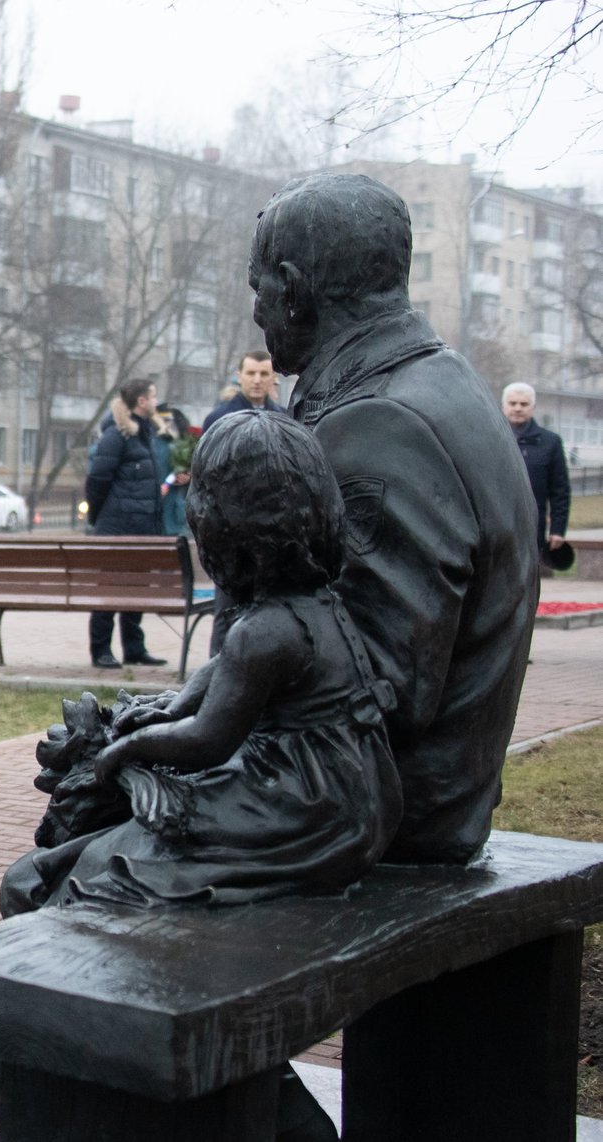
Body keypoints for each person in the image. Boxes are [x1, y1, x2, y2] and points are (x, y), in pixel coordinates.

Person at [2, 410, 380, 1142]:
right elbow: (200, 689)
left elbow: (206, 739)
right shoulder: (312, 608)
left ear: (226, 526)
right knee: (105, 855)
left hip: (301, 805)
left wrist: (120, 754)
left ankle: (89, 1068)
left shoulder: (266, 632)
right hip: (349, 794)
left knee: (102, 877)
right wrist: (153, 714)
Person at [253, 172, 537, 865]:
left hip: (387, 817)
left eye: (257, 286)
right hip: (411, 794)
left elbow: (372, 692)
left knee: (55, 870)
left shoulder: (375, 427)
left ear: (292, 287)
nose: (257, 311)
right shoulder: (444, 380)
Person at [83, 379, 168, 669]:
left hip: (142, 527)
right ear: (142, 401)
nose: (157, 401)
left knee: (136, 588)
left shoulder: (144, 433)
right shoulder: (117, 434)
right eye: (154, 396)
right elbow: (97, 478)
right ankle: (101, 650)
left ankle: (134, 649)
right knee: (109, 589)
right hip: (117, 527)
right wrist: (98, 516)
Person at [503, 382, 571, 570]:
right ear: (503, 406)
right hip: (496, 523)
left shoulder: (551, 443)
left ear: (532, 408)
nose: (517, 408)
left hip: (533, 527)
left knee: (528, 578)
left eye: (524, 404)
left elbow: (560, 490)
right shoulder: (487, 438)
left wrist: (558, 529)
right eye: (513, 403)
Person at [202, 350, 283, 433]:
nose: (257, 380)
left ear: (273, 378)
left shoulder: (284, 418)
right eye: (251, 373)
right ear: (239, 377)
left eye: (264, 374)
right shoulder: (218, 418)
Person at [152, 403, 193, 537]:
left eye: (169, 421)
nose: (167, 425)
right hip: (152, 511)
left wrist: (188, 477)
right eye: (163, 420)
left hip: (176, 513)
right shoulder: (148, 440)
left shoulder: (182, 443)